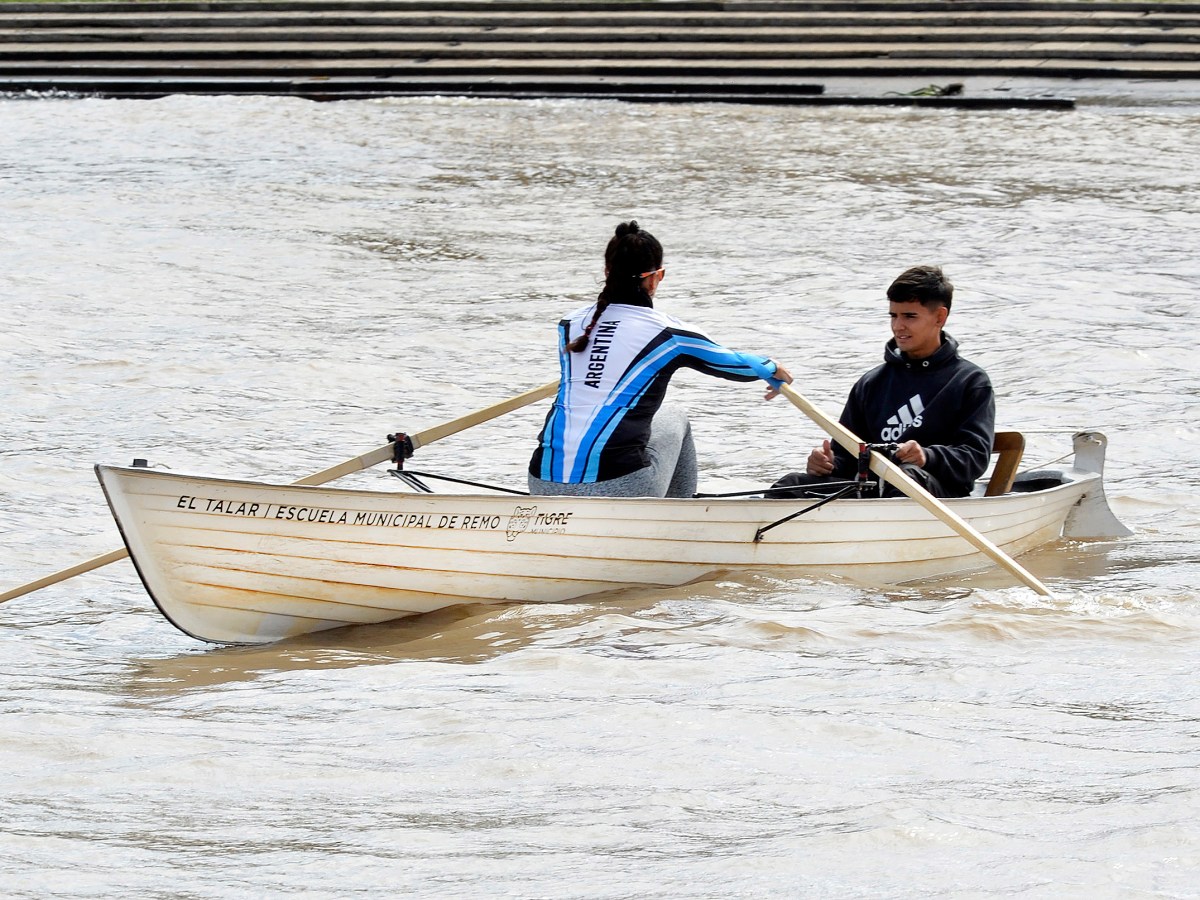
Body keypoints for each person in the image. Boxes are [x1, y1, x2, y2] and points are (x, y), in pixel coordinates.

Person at [529, 220, 793, 498]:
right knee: (675, 417)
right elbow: (734, 365)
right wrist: (772, 368)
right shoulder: (669, 335)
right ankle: (678, 520)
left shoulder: (569, 325)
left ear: (607, 272)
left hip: (541, 483)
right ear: (656, 277)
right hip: (621, 486)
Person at [772, 265, 994, 499]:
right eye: (893, 315)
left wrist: (927, 456)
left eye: (910, 316)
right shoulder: (871, 383)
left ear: (940, 317)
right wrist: (827, 463)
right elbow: (846, 458)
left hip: (937, 494)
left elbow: (975, 458)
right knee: (791, 485)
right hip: (872, 492)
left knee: (905, 476)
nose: (898, 326)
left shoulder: (970, 381)